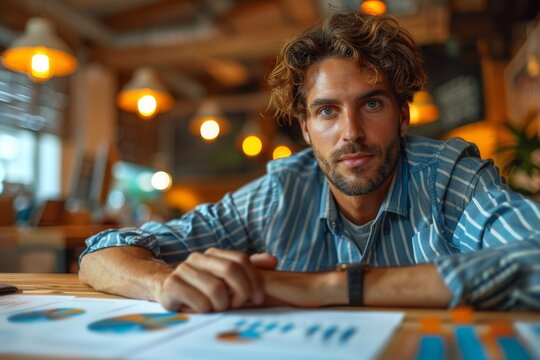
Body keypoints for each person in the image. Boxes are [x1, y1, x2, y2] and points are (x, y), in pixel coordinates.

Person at [79, 11, 540, 313]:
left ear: (403, 115)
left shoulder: (446, 177)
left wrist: (324, 288)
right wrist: (163, 285)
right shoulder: (279, 193)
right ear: (304, 128)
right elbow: (102, 252)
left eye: (373, 104)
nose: (351, 131)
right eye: (326, 110)